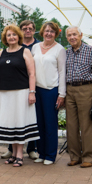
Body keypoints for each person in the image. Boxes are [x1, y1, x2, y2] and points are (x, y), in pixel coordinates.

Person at [0, 24, 39, 168]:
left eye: (14, 34)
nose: (11, 37)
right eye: (9, 35)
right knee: (11, 123)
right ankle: (14, 154)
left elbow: (32, 74)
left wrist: (32, 92)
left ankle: (20, 155)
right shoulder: (2, 53)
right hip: (5, 93)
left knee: (19, 122)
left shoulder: (25, 51)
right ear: (5, 38)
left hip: (21, 92)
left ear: (18, 36)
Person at [64, 26, 92, 168]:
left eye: (74, 34)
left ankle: (89, 157)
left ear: (80, 35)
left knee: (86, 124)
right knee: (71, 125)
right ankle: (75, 156)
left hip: (86, 89)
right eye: (69, 35)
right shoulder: (66, 52)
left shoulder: (91, 50)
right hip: (69, 89)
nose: (72, 37)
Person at [31, 22, 66, 166]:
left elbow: (62, 72)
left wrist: (61, 94)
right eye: (46, 31)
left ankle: (50, 155)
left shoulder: (60, 49)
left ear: (56, 33)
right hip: (36, 90)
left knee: (50, 124)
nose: (49, 33)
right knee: (38, 123)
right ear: (42, 32)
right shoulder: (35, 47)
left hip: (51, 90)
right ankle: (41, 153)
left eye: (52, 31)